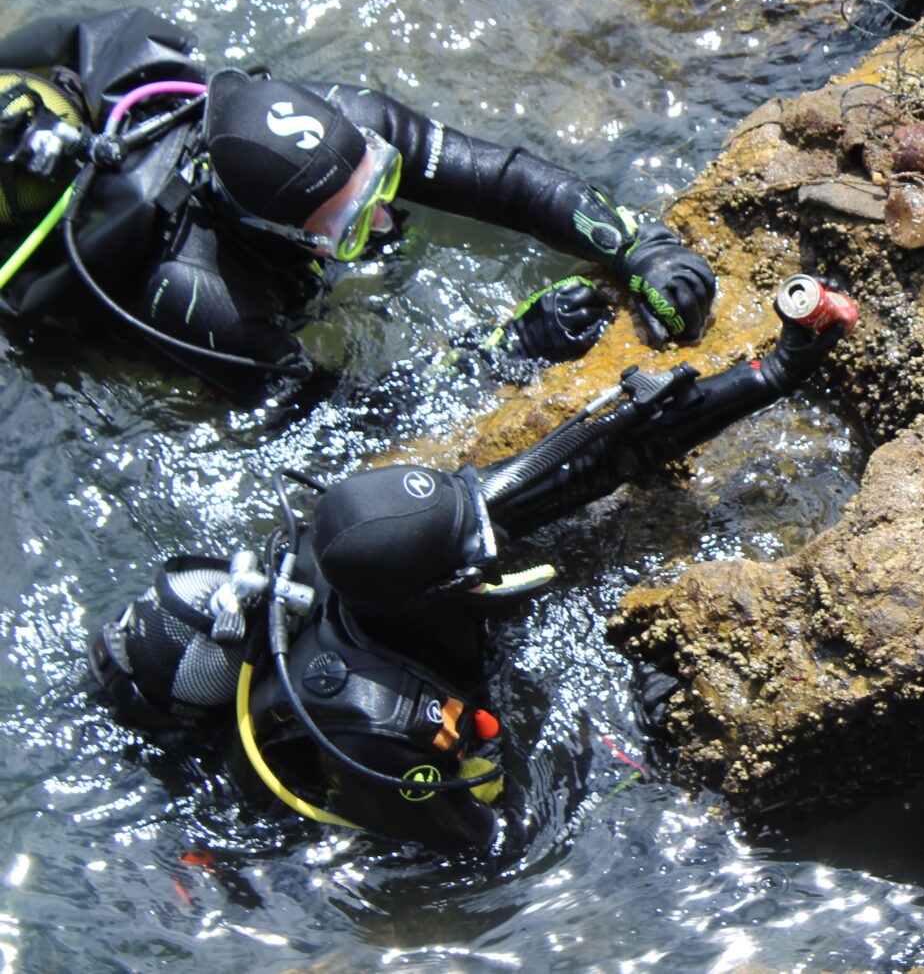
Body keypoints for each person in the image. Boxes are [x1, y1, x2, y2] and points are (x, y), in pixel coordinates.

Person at [89, 275, 858, 850]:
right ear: (432, 593)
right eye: (473, 548)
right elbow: (496, 847)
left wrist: (778, 372)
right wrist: (639, 733)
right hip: (310, 808)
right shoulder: (378, 727)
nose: (489, 536)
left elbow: (606, 453)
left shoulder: (411, 538)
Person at [0, 7, 715, 402]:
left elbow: (502, 179)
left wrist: (638, 242)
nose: (383, 222)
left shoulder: (353, 117)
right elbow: (335, 413)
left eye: (378, 185)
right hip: (99, 295)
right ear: (266, 229)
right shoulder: (209, 298)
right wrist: (509, 350)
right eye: (345, 228)